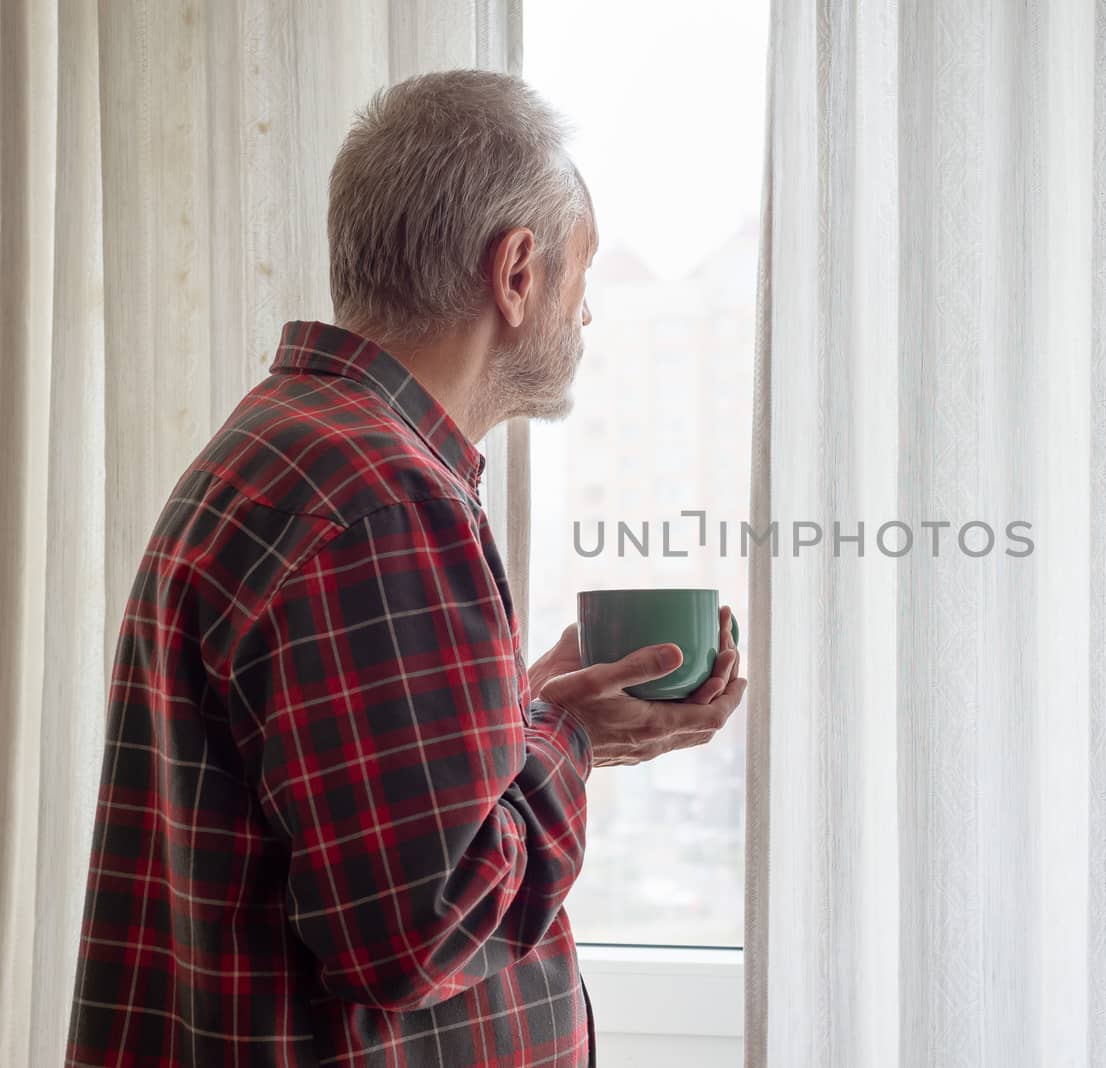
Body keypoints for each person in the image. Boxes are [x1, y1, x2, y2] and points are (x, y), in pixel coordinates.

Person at [65, 68, 745, 1067]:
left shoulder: (296, 446)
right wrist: (574, 740)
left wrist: (527, 711)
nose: (587, 316)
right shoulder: (380, 496)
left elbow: (351, 815)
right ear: (516, 273)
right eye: (583, 273)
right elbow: (418, 933)